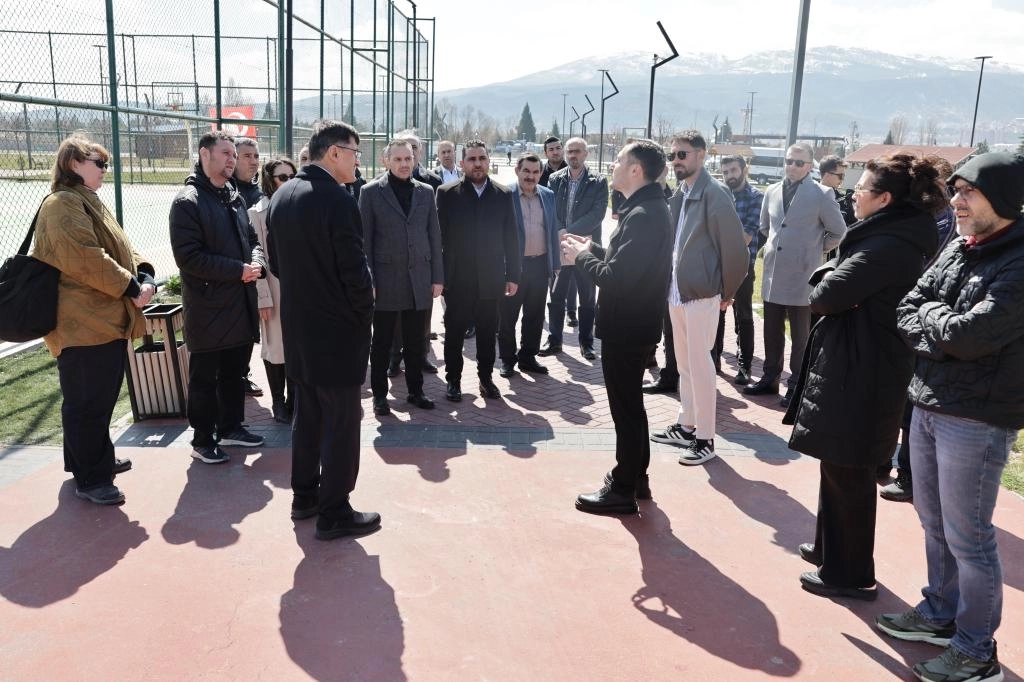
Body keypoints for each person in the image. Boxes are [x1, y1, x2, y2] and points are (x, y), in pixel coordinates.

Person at [875, 152, 1024, 682]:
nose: (955, 201)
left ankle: (976, 651)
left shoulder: (1018, 261)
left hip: (977, 418)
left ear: (1003, 198)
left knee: (969, 538)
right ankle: (940, 612)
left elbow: (970, 336)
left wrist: (936, 323)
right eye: (956, 190)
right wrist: (942, 325)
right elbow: (907, 307)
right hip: (928, 400)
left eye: (968, 192)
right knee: (932, 520)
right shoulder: (961, 246)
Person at [782, 154, 943, 603]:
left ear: (885, 199)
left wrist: (830, 280)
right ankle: (829, 551)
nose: (853, 195)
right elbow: (837, 292)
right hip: (858, 361)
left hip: (866, 369)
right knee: (836, 463)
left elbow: (826, 296)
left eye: (862, 189)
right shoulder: (884, 236)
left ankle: (850, 574)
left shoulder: (887, 244)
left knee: (849, 468)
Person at [267, 120, 379, 541]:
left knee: (308, 416)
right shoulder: (336, 199)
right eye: (354, 152)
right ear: (334, 152)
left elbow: (276, 263)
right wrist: (364, 313)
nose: (357, 161)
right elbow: (355, 272)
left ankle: (305, 496)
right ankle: (335, 511)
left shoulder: (283, 195)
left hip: (299, 328)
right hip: (337, 333)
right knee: (342, 422)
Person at [31, 134, 156, 505]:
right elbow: (85, 257)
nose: (104, 169)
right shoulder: (62, 204)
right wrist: (131, 287)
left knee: (97, 398)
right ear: (74, 164)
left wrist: (144, 273)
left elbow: (121, 247)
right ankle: (92, 478)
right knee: (87, 402)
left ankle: (88, 460)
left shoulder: (86, 199)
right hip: (82, 322)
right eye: (98, 163)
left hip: (101, 319)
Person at [569, 139, 673, 515]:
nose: (612, 165)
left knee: (626, 410)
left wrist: (580, 258)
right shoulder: (647, 209)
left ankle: (623, 487)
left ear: (635, 170)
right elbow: (624, 264)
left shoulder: (644, 214)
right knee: (631, 408)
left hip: (627, 327)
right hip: (634, 324)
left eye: (618, 160)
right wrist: (591, 249)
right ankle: (635, 477)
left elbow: (617, 279)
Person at [648, 132, 748, 466]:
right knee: (685, 364)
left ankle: (705, 438)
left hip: (702, 293)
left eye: (683, 154)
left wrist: (727, 292)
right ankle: (686, 424)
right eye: (672, 155)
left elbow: (736, 251)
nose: (676, 160)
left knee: (702, 367)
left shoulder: (714, 194)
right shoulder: (682, 191)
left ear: (701, 156)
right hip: (678, 292)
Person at [170, 130, 267, 465]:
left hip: (240, 304)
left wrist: (256, 262)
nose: (232, 160)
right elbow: (189, 258)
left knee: (234, 373)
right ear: (204, 154)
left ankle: (231, 428)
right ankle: (202, 439)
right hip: (208, 308)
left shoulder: (233, 196)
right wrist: (238, 270)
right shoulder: (187, 202)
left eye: (234, 155)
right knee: (204, 379)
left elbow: (252, 239)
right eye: (226, 153)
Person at [880, 154, 958, 502]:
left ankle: (908, 475)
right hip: (901, 318)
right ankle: (883, 458)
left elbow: (925, 272)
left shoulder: (944, 222)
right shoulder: (918, 217)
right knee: (892, 397)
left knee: (911, 403)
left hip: (923, 323)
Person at [745, 143, 846, 407]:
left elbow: (838, 232)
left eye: (799, 162)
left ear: (810, 166)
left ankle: (796, 385)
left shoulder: (822, 193)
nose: (792, 166)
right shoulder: (772, 191)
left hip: (803, 275)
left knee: (800, 336)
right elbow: (765, 227)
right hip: (773, 273)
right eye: (789, 161)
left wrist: (813, 250)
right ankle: (770, 378)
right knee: (771, 330)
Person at [359, 138, 443, 415]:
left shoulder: (426, 192)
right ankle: (380, 396)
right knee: (381, 342)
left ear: (415, 159)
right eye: (397, 159)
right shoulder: (371, 192)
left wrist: (437, 277)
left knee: (416, 342)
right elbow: (365, 241)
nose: (404, 164)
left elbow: (434, 236)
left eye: (408, 158)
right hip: (386, 281)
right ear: (386, 161)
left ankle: (416, 391)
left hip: (419, 279)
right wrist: (370, 280)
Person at [436, 139, 520, 402]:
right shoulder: (447, 194)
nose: (477, 164)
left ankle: (486, 379)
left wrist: (513, 275)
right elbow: (438, 239)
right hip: (457, 279)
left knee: (487, 333)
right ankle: (453, 381)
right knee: (454, 333)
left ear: (488, 161)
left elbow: (512, 238)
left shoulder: (503, 194)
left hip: (491, 279)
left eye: (482, 158)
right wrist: (440, 276)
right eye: (472, 159)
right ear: (462, 163)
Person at [541, 137, 609, 361]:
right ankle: (554, 339)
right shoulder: (554, 179)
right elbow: (549, 208)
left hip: (585, 248)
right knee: (556, 295)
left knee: (587, 297)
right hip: (560, 247)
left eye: (577, 151)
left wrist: (567, 232)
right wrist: (561, 232)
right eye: (569, 151)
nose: (572, 155)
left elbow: (597, 214)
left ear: (586, 154)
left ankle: (586, 343)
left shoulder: (598, 181)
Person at [498, 153, 560, 377]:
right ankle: (507, 359)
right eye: (526, 171)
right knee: (508, 316)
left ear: (541, 173)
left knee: (535, 315)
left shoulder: (548, 195)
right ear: (517, 170)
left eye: (535, 172)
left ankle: (528, 357)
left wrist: (555, 264)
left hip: (540, 265)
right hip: (514, 267)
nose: (530, 176)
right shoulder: (504, 195)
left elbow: (552, 230)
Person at [248, 156, 296, 424]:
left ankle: (295, 400)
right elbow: (256, 258)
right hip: (274, 290)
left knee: (297, 346)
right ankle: (278, 400)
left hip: (300, 290)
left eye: (292, 176)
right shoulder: (257, 213)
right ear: (270, 180)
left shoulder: (301, 207)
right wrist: (263, 296)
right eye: (282, 177)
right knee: (275, 346)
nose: (289, 181)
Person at [713, 154, 764, 385]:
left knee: (743, 315)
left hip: (743, 266)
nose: (729, 176)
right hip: (718, 266)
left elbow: (746, 236)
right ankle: (714, 359)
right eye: (725, 172)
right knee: (716, 314)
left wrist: (719, 240)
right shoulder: (718, 195)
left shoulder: (756, 197)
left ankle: (744, 366)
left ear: (744, 169)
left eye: (733, 170)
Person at [233, 137, 265, 398]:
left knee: (251, 326)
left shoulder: (259, 192)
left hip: (257, 268)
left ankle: (242, 374)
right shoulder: (225, 192)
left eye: (256, 156)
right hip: (230, 273)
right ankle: (232, 376)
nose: (254, 161)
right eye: (247, 156)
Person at [818, 155, 855, 227]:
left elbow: (852, 225)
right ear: (827, 175)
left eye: (843, 176)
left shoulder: (842, 198)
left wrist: (850, 208)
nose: (842, 179)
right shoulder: (808, 196)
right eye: (840, 176)